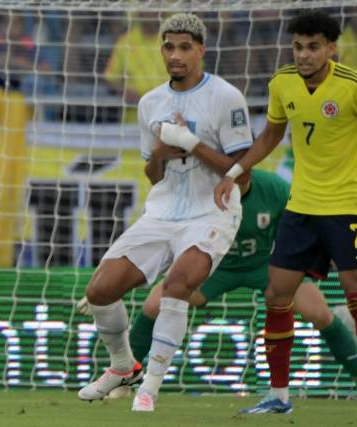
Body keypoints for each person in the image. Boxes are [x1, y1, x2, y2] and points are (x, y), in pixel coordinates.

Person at [214, 10, 357, 417]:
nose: (303, 54)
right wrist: (234, 172)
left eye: (313, 47)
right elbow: (270, 134)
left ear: (331, 48)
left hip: (345, 207)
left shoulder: (354, 85)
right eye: (298, 46)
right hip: (299, 207)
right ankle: (279, 397)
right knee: (276, 295)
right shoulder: (282, 82)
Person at [77, 13, 251, 412]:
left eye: (185, 47)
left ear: (201, 51)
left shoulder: (226, 97)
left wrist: (191, 143)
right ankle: (124, 366)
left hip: (212, 212)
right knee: (100, 291)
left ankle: (150, 388)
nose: (175, 55)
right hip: (163, 211)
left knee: (177, 286)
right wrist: (159, 153)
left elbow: (244, 175)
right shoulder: (150, 102)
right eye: (169, 47)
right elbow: (153, 176)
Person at [78, 169, 357, 399]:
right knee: (154, 304)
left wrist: (351, 272)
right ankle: (128, 378)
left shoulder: (273, 188)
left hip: (265, 265)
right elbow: (174, 240)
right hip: (216, 267)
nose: (240, 176)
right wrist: (112, 291)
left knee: (320, 313)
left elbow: (304, 230)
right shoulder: (204, 192)